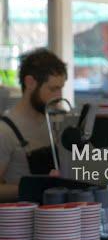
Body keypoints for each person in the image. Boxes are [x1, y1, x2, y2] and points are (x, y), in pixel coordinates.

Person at [0, 48, 67, 202]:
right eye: (53, 89)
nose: (59, 96)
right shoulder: (5, 131)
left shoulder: (56, 122)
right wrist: (37, 187)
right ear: (30, 82)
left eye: (61, 88)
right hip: (22, 214)